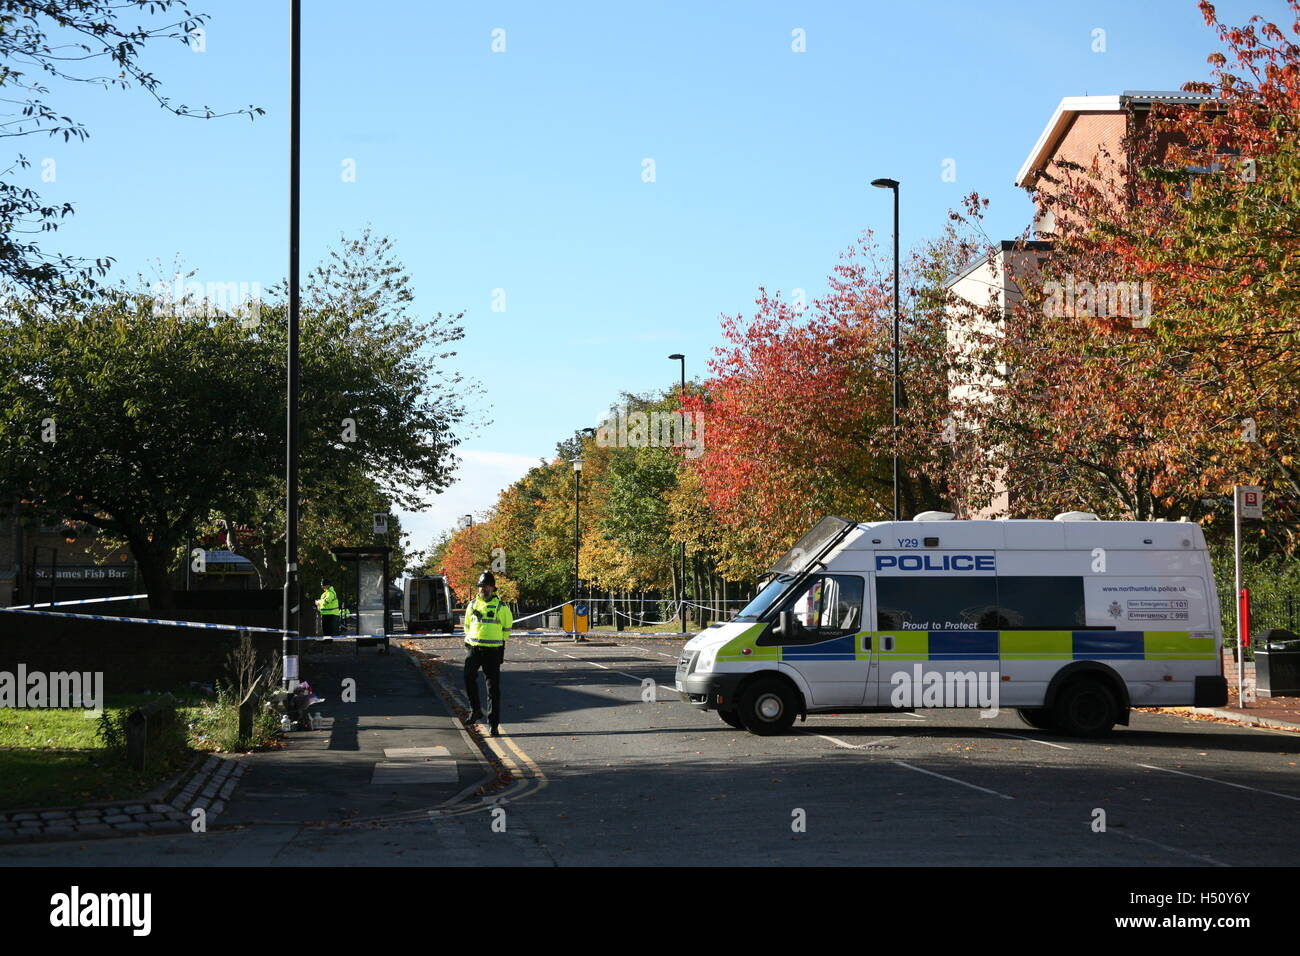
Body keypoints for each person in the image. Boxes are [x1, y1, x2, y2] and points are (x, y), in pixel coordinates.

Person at [463, 570, 513, 736]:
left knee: (493, 689)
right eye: (480, 586)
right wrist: (470, 643)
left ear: (492, 588)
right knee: (468, 677)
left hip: (492, 650)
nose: (482, 589)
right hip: (474, 648)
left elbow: (507, 628)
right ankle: (475, 710)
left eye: (485, 586)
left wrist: (498, 642)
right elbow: (467, 626)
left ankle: (493, 724)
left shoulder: (501, 607)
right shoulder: (472, 604)